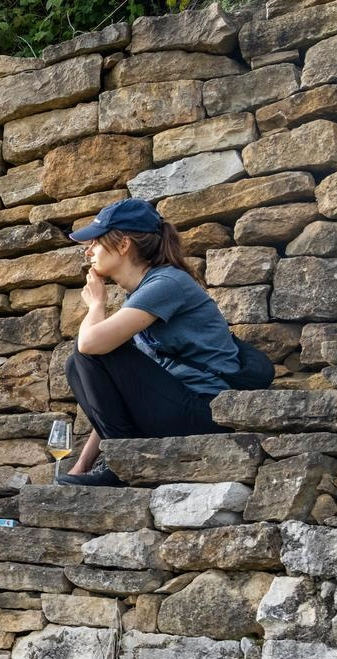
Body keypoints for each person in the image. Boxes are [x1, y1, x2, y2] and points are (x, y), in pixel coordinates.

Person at [58, 198, 246, 487]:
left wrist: (97, 305)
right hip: (173, 409)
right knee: (76, 363)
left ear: (123, 245)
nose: (88, 251)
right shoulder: (140, 296)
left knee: (87, 351)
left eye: (96, 242)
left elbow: (90, 345)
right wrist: (81, 466)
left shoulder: (167, 284)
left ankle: (126, 465)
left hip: (203, 412)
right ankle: (124, 462)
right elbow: (117, 388)